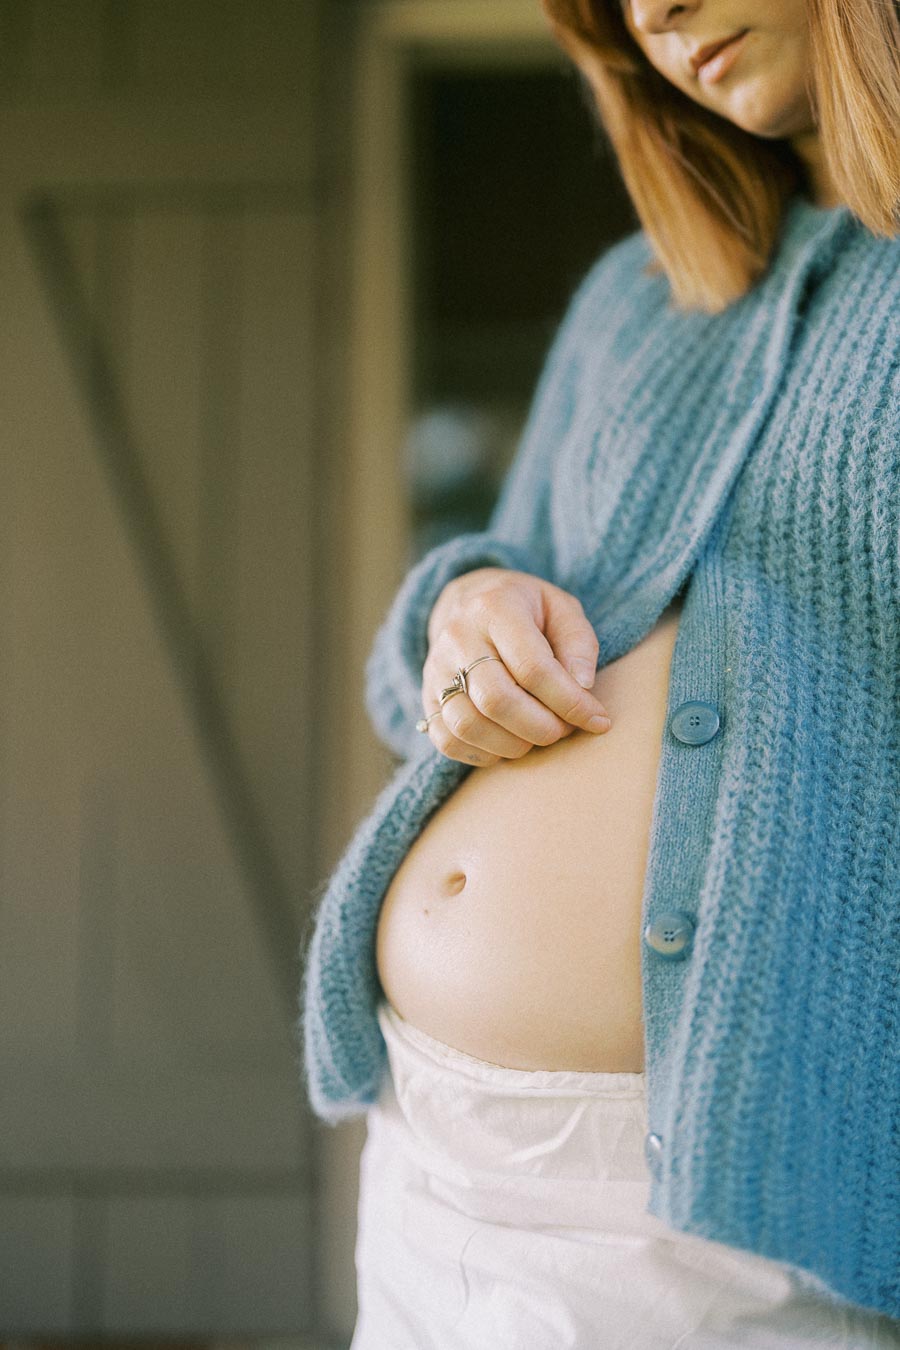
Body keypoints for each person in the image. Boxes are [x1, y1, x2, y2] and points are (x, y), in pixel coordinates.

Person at [300, 0, 900, 1344]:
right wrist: (461, 613)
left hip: (736, 1218)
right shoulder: (635, 300)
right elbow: (448, 644)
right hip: (431, 1164)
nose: (657, 15)